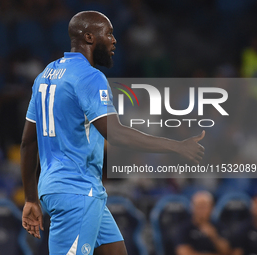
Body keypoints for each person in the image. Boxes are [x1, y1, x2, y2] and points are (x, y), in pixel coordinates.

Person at [21, 11, 205, 255]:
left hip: (66, 190)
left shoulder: (45, 76)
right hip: (77, 193)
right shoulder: (90, 77)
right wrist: (176, 146)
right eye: (108, 33)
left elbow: (27, 143)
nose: (114, 40)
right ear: (89, 37)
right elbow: (116, 134)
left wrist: (31, 198)